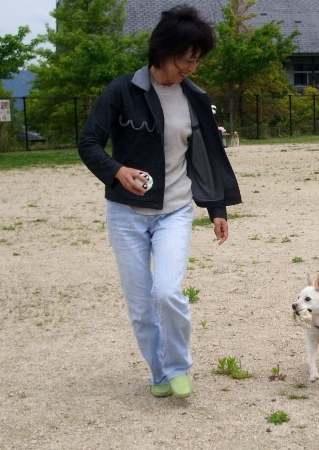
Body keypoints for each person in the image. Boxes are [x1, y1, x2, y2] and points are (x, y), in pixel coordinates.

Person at [78, 5, 241, 399]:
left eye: (198, 59)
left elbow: (205, 156)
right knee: (141, 305)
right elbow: (88, 142)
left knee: (167, 292)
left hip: (175, 211)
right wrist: (117, 171)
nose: (193, 67)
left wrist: (215, 208)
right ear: (164, 50)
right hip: (125, 215)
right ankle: (159, 374)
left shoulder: (194, 98)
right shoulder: (123, 90)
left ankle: (179, 366)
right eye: (188, 58)